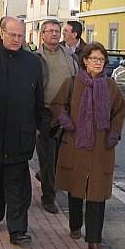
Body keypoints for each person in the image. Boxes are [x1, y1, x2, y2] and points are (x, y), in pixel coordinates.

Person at [50, 42, 125, 249]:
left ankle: (95, 239)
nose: (98, 63)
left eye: (101, 59)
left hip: (101, 147)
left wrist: (114, 132)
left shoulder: (110, 86)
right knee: (76, 188)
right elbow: (56, 104)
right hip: (76, 144)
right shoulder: (72, 83)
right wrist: (64, 119)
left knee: (97, 193)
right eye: (94, 59)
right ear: (85, 60)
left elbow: (120, 110)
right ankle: (75, 225)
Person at [0, 17, 44, 245]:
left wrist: (38, 125)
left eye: (21, 36)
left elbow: (38, 99)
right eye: (12, 35)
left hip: (19, 133)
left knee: (18, 183)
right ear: (1, 34)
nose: (17, 39)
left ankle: (17, 229)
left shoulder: (33, 63)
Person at [34, 19, 79, 214]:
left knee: (62, 156)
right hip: (44, 113)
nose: (54, 34)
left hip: (65, 114)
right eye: (50, 31)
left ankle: (46, 178)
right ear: (42, 34)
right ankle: (49, 197)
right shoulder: (35, 57)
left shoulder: (69, 56)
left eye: (57, 31)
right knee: (47, 157)